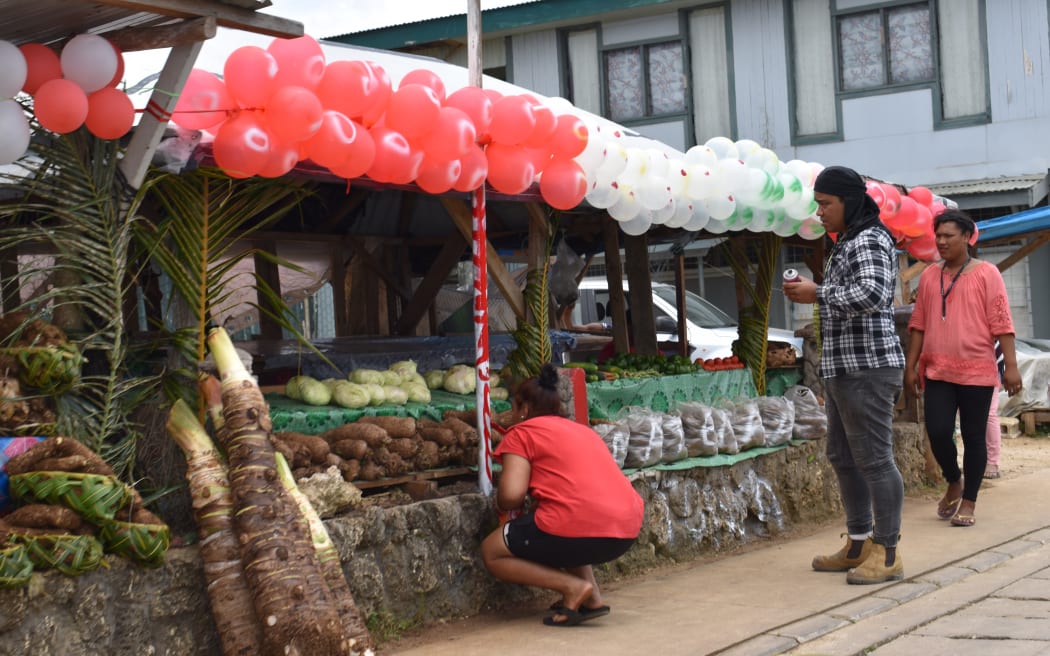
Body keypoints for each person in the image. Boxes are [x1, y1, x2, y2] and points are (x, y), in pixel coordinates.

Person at [783, 165, 906, 585]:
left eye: (826, 204)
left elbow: (874, 294)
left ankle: (888, 552)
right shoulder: (846, 241)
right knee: (843, 456)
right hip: (842, 370)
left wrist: (816, 291)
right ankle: (858, 542)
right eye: (817, 205)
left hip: (868, 369)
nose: (820, 213)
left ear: (849, 202)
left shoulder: (870, 238)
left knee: (874, 459)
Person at [480, 363, 644, 626]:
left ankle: (571, 587)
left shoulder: (522, 433)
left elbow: (511, 495)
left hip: (581, 524)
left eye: (513, 408)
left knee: (492, 552)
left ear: (523, 409)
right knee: (560, 521)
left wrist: (501, 501)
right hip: (626, 528)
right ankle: (592, 598)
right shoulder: (581, 430)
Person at [903, 209, 1021, 527]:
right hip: (937, 369)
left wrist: (1010, 366)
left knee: (973, 436)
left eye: (948, 236)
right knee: (938, 431)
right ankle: (954, 480)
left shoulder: (987, 273)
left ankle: (969, 500)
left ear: (967, 237)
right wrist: (910, 365)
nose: (941, 242)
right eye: (938, 236)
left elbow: (1002, 322)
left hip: (977, 370)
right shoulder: (929, 276)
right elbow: (918, 324)